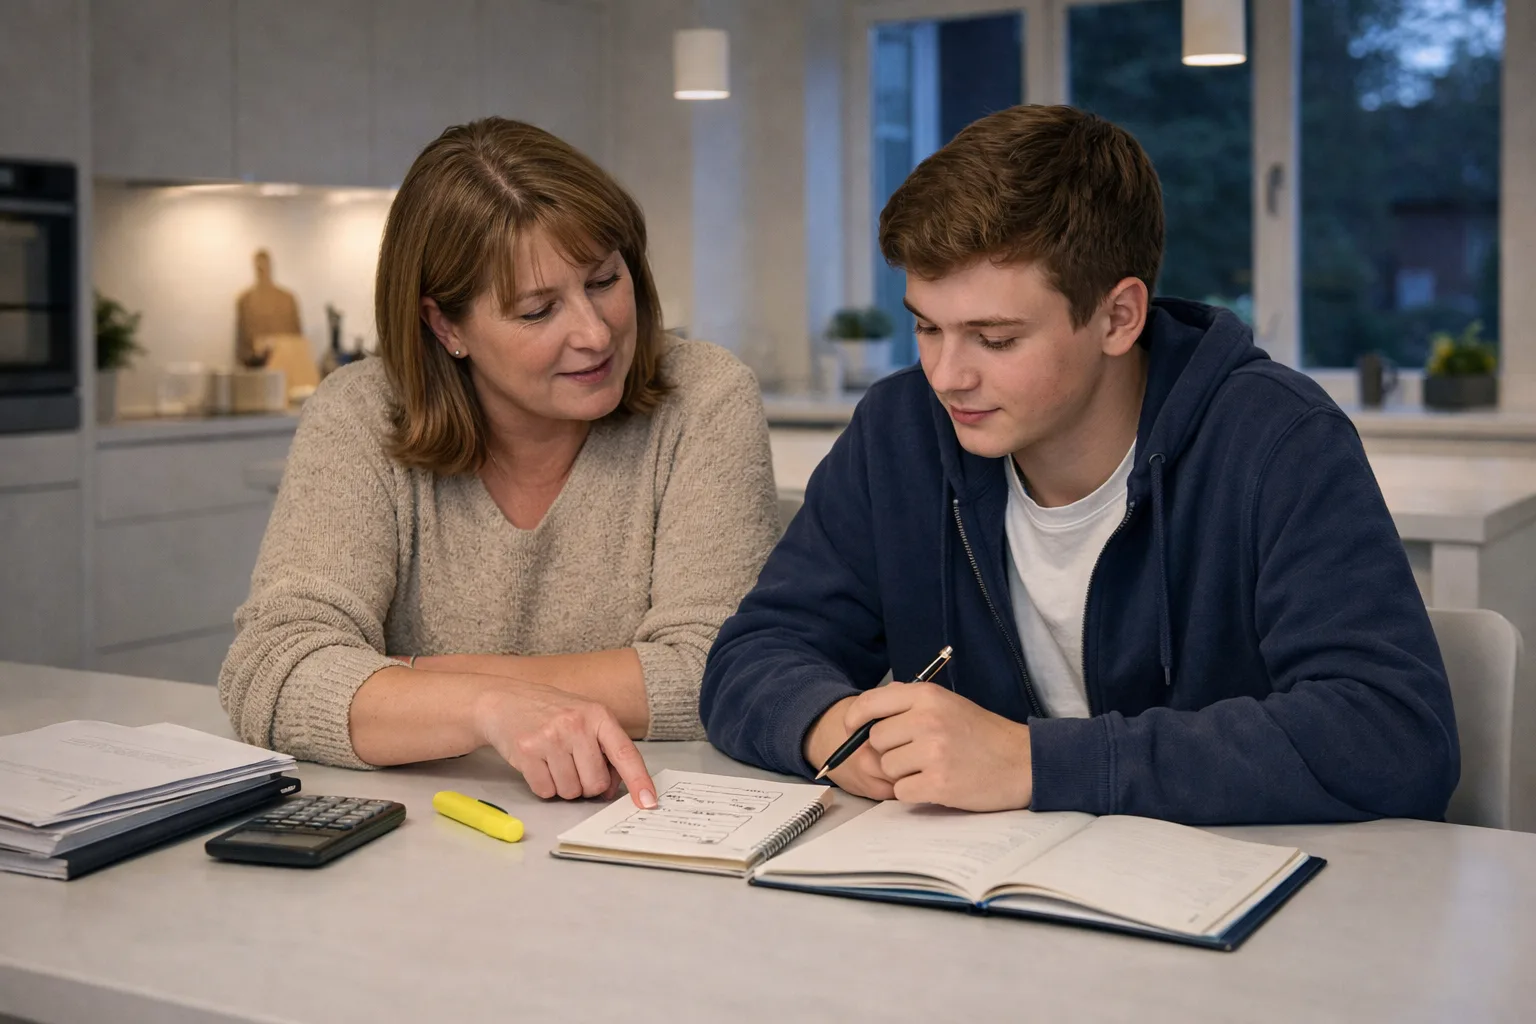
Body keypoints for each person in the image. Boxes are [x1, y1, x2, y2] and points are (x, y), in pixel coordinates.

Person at [700, 105, 1460, 824]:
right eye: (928, 328)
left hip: (1235, 905)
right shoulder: (898, 431)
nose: (946, 375)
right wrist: (827, 726)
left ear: (1118, 317)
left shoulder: (1277, 439)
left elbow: (1393, 734)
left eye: (995, 339)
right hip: (983, 909)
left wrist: (1037, 763)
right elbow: (756, 652)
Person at [220, 118, 780, 809]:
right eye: (538, 311)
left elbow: (721, 668)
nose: (595, 333)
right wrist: (486, 707)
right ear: (446, 326)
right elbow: (272, 670)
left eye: (605, 279)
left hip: (642, 821)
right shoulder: (360, 412)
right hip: (426, 842)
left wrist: (421, 678)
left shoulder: (704, 396)